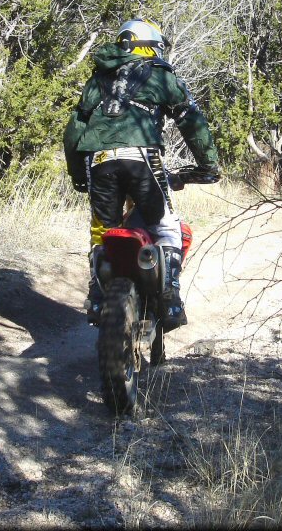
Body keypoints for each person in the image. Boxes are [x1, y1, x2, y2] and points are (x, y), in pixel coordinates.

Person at [63, 17, 220, 331]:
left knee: (101, 233)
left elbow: (73, 131)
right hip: (142, 158)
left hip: (99, 162)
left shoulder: (97, 79)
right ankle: (171, 296)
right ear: (150, 46)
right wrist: (208, 165)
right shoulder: (161, 77)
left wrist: (78, 174)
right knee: (167, 227)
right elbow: (193, 123)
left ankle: (97, 295)